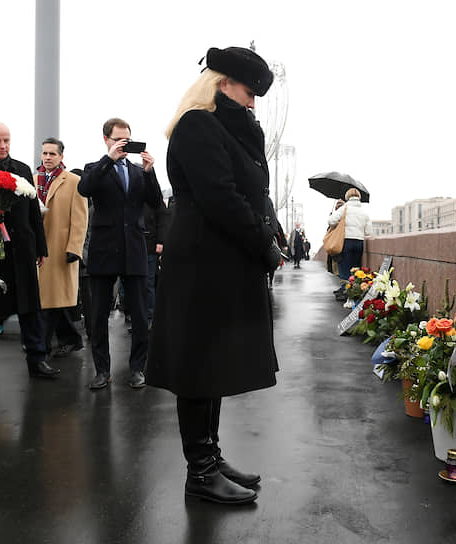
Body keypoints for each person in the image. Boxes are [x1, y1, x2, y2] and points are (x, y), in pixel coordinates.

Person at [147, 46, 279, 505]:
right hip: (203, 262)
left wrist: (265, 233)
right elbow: (220, 197)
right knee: (198, 366)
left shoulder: (224, 128)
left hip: (219, 260)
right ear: (223, 84)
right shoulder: (198, 125)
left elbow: (247, 193)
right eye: (249, 92)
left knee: (212, 364)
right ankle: (200, 471)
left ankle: (210, 456)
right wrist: (263, 244)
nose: (253, 103)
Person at [0, 122, 59, 387]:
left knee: (30, 308)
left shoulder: (21, 169)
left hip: (21, 250)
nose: (3, 146)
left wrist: (40, 248)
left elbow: (33, 212)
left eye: (6, 140)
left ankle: (37, 359)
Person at [77, 118, 163, 390]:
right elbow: (84, 188)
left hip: (134, 247)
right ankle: (102, 370)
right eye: (118, 140)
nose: (124, 145)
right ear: (106, 140)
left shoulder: (138, 172)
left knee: (140, 313)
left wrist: (149, 172)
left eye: (128, 140)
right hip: (104, 248)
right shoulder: (95, 168)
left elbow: (156, 201)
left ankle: (138, 368)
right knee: (99, 314)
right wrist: (109, 159)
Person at [35, 138, 88, 358]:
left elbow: (80, 219)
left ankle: (43, 346)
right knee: (50, 300)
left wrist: (74, 248)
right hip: (38, 248)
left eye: (52, 154)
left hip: (59, 249)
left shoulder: (74, 181)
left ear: (61, 156)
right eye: (45, 153)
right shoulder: (33, 180)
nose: (47, 157)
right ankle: (68, 340)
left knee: (53, 301)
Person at [329, 188, 372, 296]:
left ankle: (345, 290)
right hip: (359, 243)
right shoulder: (364, 212)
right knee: (355, 269)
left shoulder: (344, 208)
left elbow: (330, 221)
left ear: (347, 197)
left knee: (344, 267)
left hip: (346, 241)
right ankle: (354, 292)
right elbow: (368, 232)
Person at [143, 198, 170, 325]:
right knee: (145, 284)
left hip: (149, 245)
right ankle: (146, 317)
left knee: (148, 283)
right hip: (146, 244)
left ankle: (149, 317)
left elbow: (163, 221)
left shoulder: (154, 200)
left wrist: (160, 241)